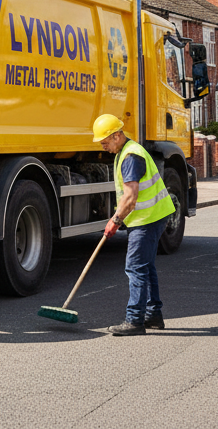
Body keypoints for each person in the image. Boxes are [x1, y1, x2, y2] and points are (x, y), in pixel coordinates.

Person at [92, 113, 177, 336]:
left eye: (105, 141)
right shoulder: (126, 151)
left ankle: (134, 321)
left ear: (117, 135)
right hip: (153, 215)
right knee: (146, 266)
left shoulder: (131, 157)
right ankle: (153, 315)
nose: (103, 145)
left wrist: (115, 221)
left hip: (148, 219)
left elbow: (130, 198)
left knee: (135, 267)